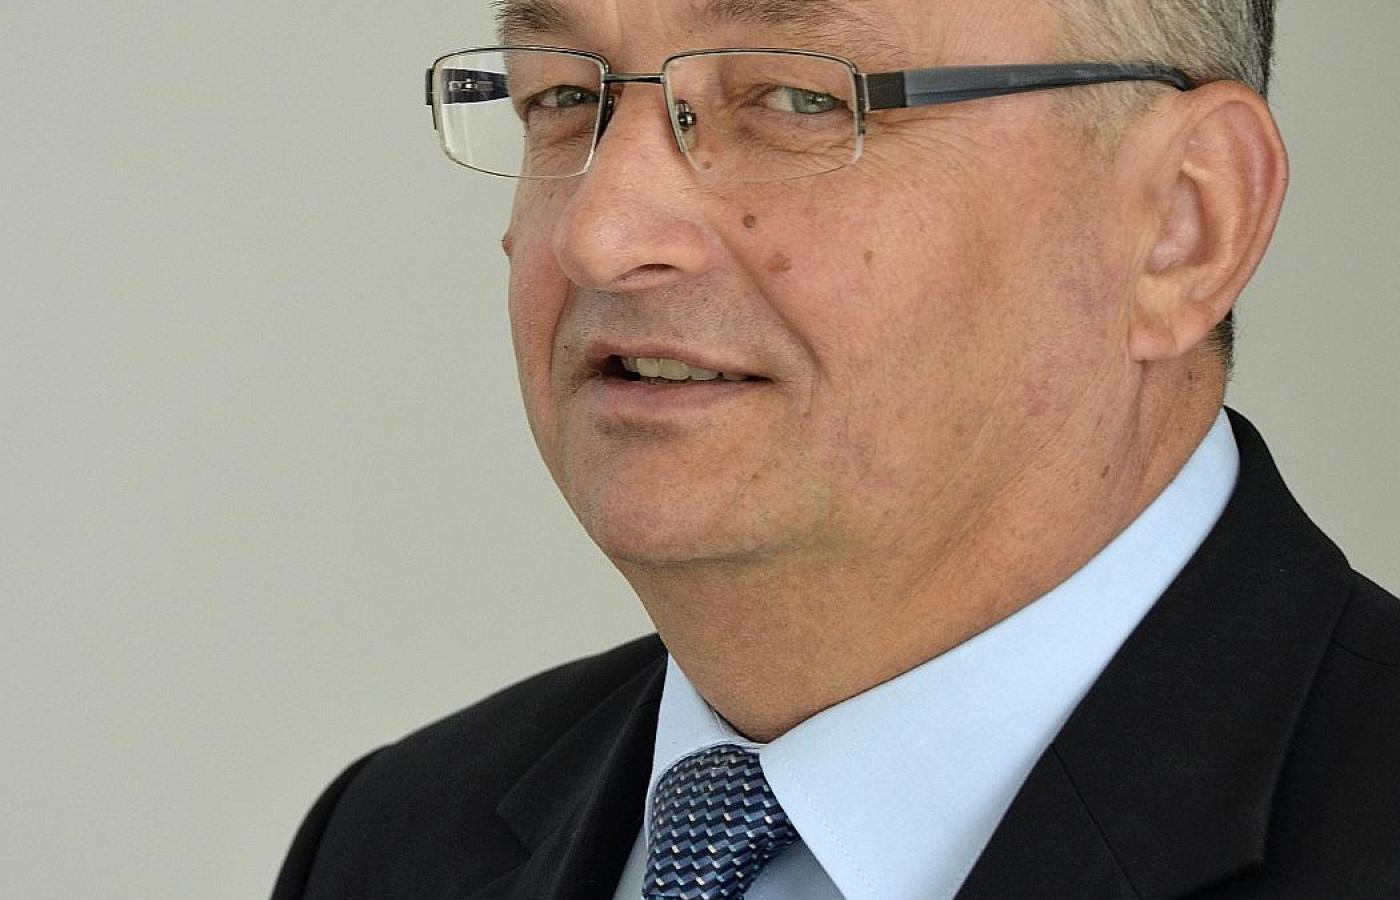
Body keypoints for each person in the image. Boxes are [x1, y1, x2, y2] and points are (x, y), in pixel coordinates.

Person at [273, 1, 1400, 897]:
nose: (599, 233)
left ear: (1183, 225)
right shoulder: (389, 841)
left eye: (796, 99)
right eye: (565, 97)